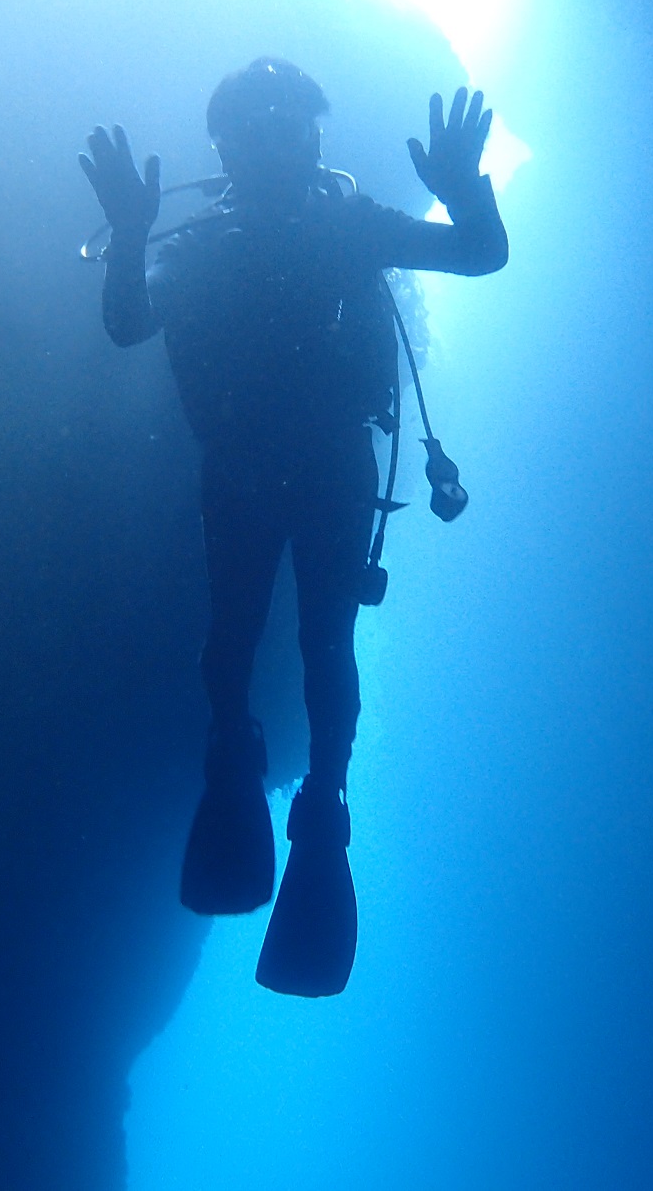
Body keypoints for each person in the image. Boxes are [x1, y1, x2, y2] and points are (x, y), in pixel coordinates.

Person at [80, 58, 508, 996]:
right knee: (245, 640)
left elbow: (477, 253)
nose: (278, 143)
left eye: (293, 125)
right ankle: (257, 762)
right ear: (226, 147)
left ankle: (317, 800)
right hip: (257, 465)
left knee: (314, 641)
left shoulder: (344, 225)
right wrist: (128, 236)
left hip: (313, 464)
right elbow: (127, 322)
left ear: (315, 139)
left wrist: (469, 191)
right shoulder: (207, 243)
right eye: (257, 128)